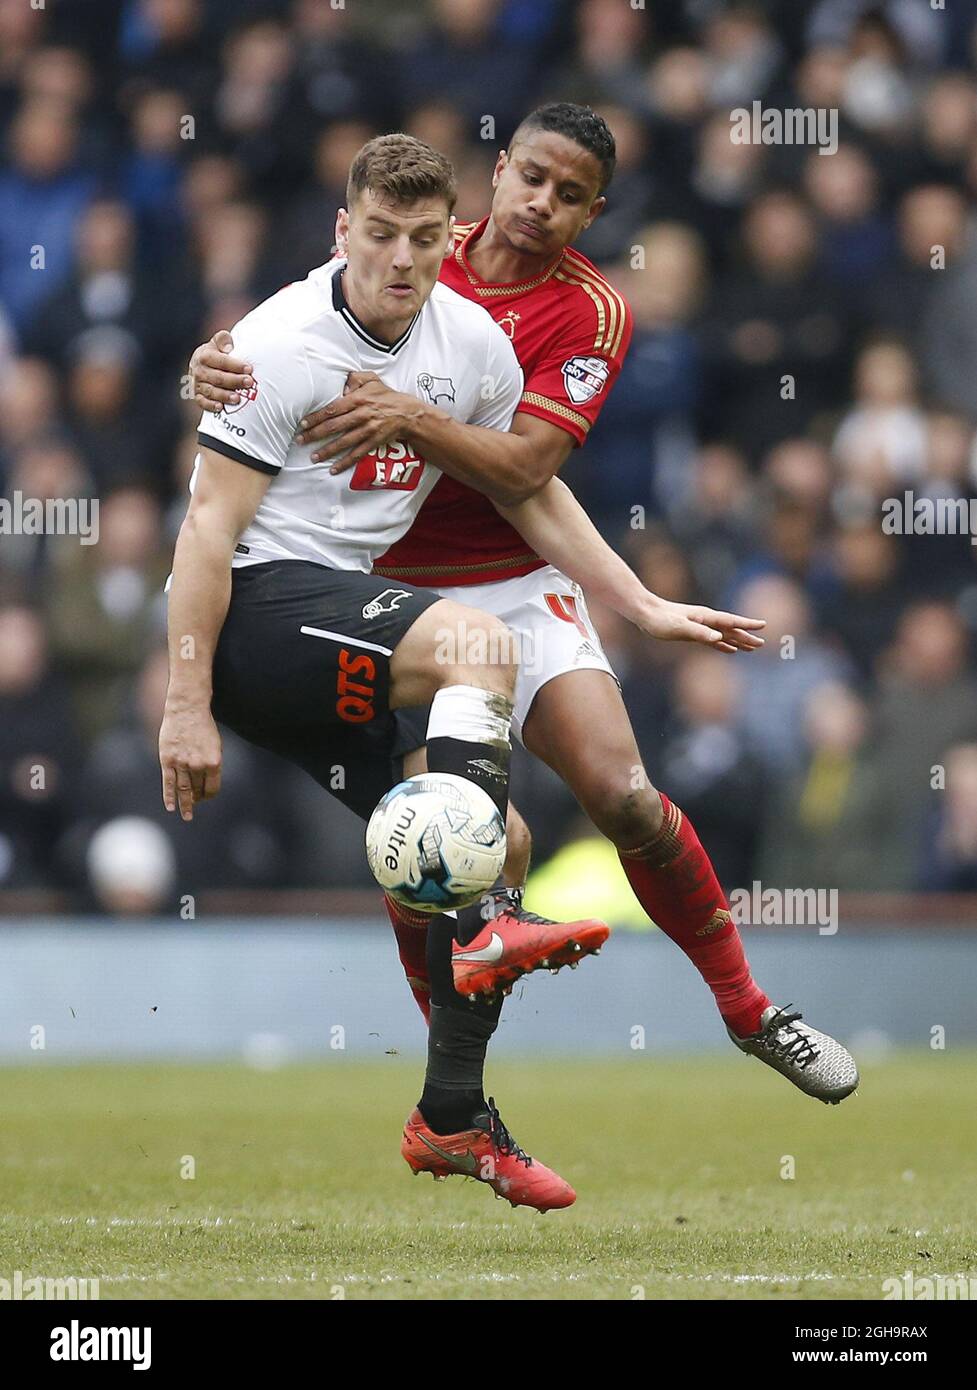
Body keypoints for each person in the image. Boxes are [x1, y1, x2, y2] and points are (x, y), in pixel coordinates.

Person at [190, 106, 859, 1123]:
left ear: (593, 213)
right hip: (376, 581)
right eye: (531, 179)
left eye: (570, 195)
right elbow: (290, 335)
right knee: (455, 836)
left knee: (624, 792)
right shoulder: (412, 245)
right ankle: (455, 1078)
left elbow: (526, 471)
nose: (542, 205)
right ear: (496, 174)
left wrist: (628, 598)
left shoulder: (590, 314)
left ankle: (747, 1007)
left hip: (512, 576)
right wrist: (207, 363)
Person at [162, 133, 640, 1212]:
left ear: (447, 239)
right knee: (480, 644)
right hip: (254, 614)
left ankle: (449, 1117)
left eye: (425, 240)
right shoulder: (277, 343)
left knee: (499, 841)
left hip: (343, 635)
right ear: (343, 230)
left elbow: (528, 488)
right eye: (378, 235)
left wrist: (638, 600)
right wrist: (183, 704)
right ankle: (476, 935)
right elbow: (203, 534)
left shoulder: (468, 345)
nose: (401, 260)